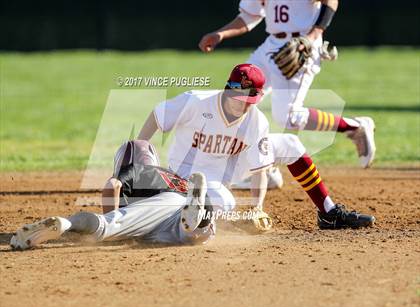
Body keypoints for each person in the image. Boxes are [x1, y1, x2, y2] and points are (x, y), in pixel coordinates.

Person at [137, 64, 375, 229]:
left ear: (258, 97)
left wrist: (256, 208)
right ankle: (178, 206)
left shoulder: (256, 120)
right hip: (189, 172)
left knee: (290, 143)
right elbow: (158, 116)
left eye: (247, 101)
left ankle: (329, 213)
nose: (241, 105)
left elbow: (260, 169)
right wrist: (140, 154)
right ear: (228, 88)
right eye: (237, 98)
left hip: (230, 166)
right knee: (226, 202)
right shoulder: (196, 101)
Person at [198, 0, 376, 169]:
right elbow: (249, 17)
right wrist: (220, 34)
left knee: (288, 116)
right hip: (270, 46)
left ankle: (355, 127)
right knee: (237, 99)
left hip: (301, 47)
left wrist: (312, 37)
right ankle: (263, 169)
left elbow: (331, 1)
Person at [10, 140, 214, 251]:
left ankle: (67, 224)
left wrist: (112, 220)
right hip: (180, 204)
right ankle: (201, 217)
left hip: (162, 204)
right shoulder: (170, 174)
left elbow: (112, 185)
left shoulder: (135, 169)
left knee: (106, 226)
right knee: (195, 236)